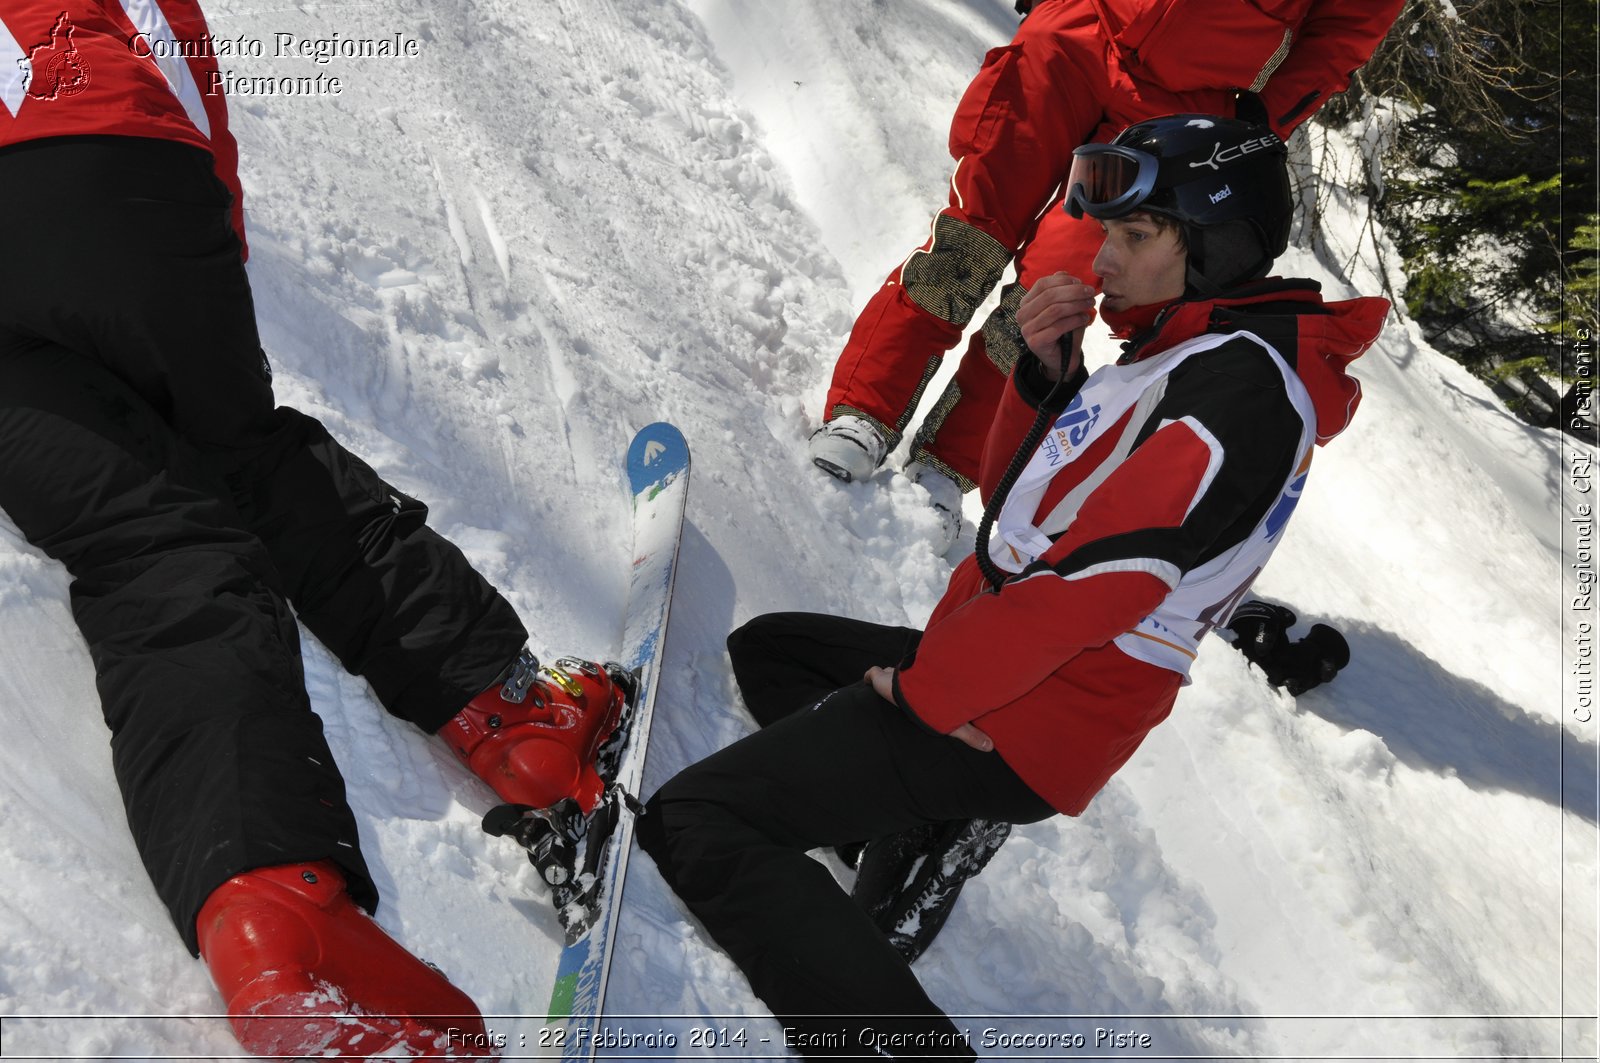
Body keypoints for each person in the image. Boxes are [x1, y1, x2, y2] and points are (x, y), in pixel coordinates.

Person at [639, 113, 1389, 1058]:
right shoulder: (1181, 355)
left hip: (1030, 705)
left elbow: (1098, 585)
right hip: (1014, 669)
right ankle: (915, 826)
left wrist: (926, 698)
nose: (1102, 256)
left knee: (699, 818)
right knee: (771, 650)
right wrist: (1047, 377)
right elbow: (1023, 520)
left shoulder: (1237, 389)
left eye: (1133, 234)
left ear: (1213, 243)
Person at [0, 1, 626, 1056]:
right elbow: (166, 43)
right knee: (245, 454)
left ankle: (269, 925)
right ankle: (516, 721)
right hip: (102, 151)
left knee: (148, 548)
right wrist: (206, 243)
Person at [806, 0, 1403, 550]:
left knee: (1052, 295)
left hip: (1184, 113)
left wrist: (1257, 120)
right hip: (1077, 33)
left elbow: (1345, 31)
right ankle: (865, 411)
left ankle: (948, 462)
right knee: (968, 238)